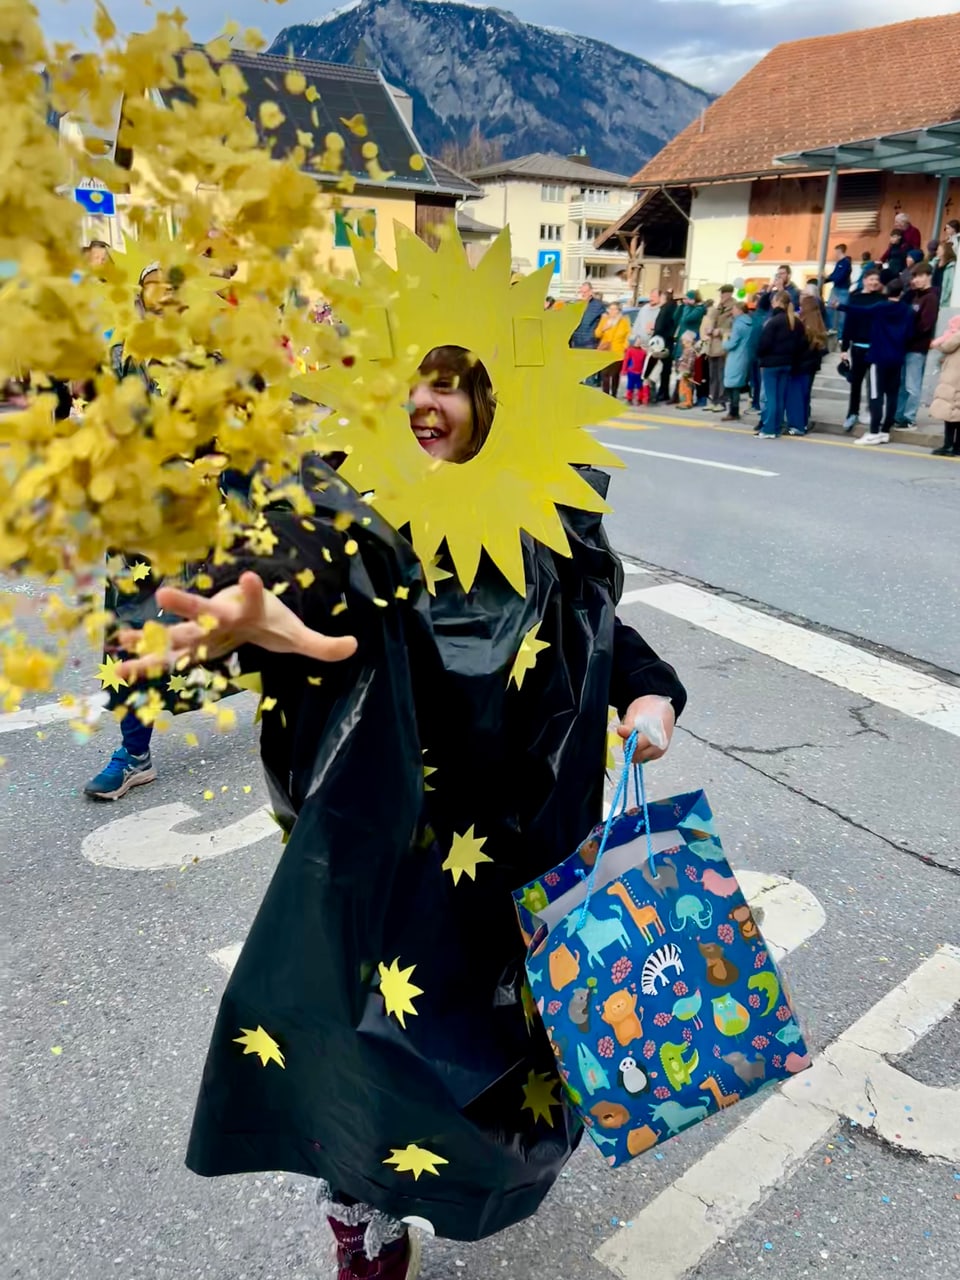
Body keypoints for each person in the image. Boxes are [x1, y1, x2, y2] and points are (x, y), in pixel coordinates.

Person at [117, 335, 686, 1280]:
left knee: (491, 1048)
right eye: (413, 382)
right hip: (385, 839)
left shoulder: (541, 514)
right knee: (362, 1038)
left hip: (513, 843)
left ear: (498, 400)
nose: (429, 402)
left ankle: (445, 1185)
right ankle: (361, 1214)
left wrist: (649, 689)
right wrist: (275, 638)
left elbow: (593, 624)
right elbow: (321, 628)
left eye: (454, 385)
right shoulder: (359, 508)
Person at [857, 279, 913, 446]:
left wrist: (840, 306)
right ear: (901, 292)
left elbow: (860, 311)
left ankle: (874, 430)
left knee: (876, 394)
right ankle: (885, 430)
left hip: (878, 356)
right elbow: (910, 334)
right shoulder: (907, 310)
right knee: (892, 395)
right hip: (897, 357)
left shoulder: (881, 307)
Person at [839, 267, 885, 431]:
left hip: (876, 348)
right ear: (864, 280)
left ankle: (873, 414)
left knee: (874, 385)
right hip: (858, 347)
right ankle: (852, 413)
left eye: (876, 280)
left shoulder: (882, 299)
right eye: (871, 279)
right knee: (855, 383)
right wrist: (844, 347)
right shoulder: (855, 298)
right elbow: (848, 323)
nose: (873, 282)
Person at [895, 261, 939, 429]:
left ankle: (909, 417)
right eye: (915, 276)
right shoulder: (915, 295)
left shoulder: (930, 298)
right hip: (907, 345)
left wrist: (909, 334)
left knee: (912, 385)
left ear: (928, 277)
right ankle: (899, 415)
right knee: (902, 385)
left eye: (920, 276)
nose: (917, 280)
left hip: (917, 347)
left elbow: (925, 324)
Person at [756, 290, 803, 439]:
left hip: (771, 363)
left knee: (771, 397)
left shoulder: (773, 321)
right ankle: (776, 427)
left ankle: (769, 428)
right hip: (787, 362)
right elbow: (801, 344)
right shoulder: (795, 322)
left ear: (776, 302)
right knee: (780, 397)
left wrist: (760, 357)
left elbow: (764, 344)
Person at [786, 295, 828, 435]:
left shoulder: (802, 325)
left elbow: (796, 346)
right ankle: (804, 421)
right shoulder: (819, 325)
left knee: (797, 395)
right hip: (812, 365)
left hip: (800, 364)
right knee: (805, 394)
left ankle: (797, 424)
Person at [700, 284, 735, 412]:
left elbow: (733, 329)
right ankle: (713, 399)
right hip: (712, 345)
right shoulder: (718, 308)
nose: (721, 296)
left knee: (721, 374)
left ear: (729, 294)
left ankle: (721, 400)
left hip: (723, 345)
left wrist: (719, 331)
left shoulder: (733, 309)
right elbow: (710, 321)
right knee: (712, 374)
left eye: (723, 293)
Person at [720, 298, 756, 421]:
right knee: (737, 383)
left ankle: (733, 411)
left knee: (732, 384)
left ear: (740, 311)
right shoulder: (749, 323)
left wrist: (725, 340)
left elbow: (731, 344)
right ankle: (734, 410)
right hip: (745, 355)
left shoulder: (738, 324)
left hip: (735, 356)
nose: (732, 312)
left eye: (734, 310)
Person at [929, 315, 960, 456]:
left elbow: (947, 346)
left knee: (949, 410)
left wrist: (941, 342)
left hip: (955, 375)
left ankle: (948, 445)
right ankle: (957, 447)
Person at [671, 290, 705, 399]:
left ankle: (686, 396)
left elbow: (687, 319)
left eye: (688, 298)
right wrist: (680, 306)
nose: (685, 300)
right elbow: (675, 319)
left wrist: (687, 307)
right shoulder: (685, 308)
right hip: (681, 342)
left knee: (688, 371)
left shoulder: (699, 309)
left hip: (690, 343)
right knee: (678, 367)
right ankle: (676, 394)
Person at [595, 301, 631, 398]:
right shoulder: (604, 320)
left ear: (618, 311)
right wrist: (603, 328)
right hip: (605, 351)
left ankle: (614, 394)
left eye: (614, 309)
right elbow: (597, 334)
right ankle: (606, 396)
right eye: (610, 309)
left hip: (618, 351)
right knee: (605, 374)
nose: (611, 311)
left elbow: (628, 335)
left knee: (615, 375)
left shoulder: (624, 321)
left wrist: (624, 346)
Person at [653, 288, 679, 401]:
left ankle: (661, 392)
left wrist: (654, 335)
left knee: (660, 368)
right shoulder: (675, 308)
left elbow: (659, 326)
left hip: (661, 342)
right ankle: (665, 392)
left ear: (664, 298)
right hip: (669, 341)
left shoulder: (665, 309)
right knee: (667, 369)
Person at [823, 244, 852, 342]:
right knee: (830, 308)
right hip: (836, 289)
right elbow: (835, 274)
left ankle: (841, 336)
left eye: (836, 251)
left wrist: (830, 278)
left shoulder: (846, 263)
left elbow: (840, 276)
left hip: (843, 290)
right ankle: (830, 328)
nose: (835, 253)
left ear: (840, 250)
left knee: (842, 313)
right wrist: (826, 279)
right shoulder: (839, 262)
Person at [568, 281, 606, 349]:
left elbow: (605, 322)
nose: (582, 294)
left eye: (585, 292)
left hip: (590, 344)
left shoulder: (598, 305)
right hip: (576, 343)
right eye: (581, 292)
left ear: (590, 292)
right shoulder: (577, 305)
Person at [675, 330, 697, 408]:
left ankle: (688, 402)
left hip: (687, 373)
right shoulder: (685, 350)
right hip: (682, 372)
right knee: (682, 388)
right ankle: (683, 401)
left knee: (687, 388)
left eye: (684, 340)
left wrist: (688, 371)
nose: (682, 342)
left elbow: (691, 362)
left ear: (689, 341)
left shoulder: (691, 350)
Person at [621, 334, 646, 404]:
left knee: (639, 386)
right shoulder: (630, 350)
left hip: (640, 372)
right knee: (630, 385)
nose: (639, 342)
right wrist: (624, 370)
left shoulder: (643, 352)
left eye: (639, 341)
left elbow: (644, 362)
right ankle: (629, 398)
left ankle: (640, 399)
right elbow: (626, 360)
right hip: (631, 371)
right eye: (637, 341)